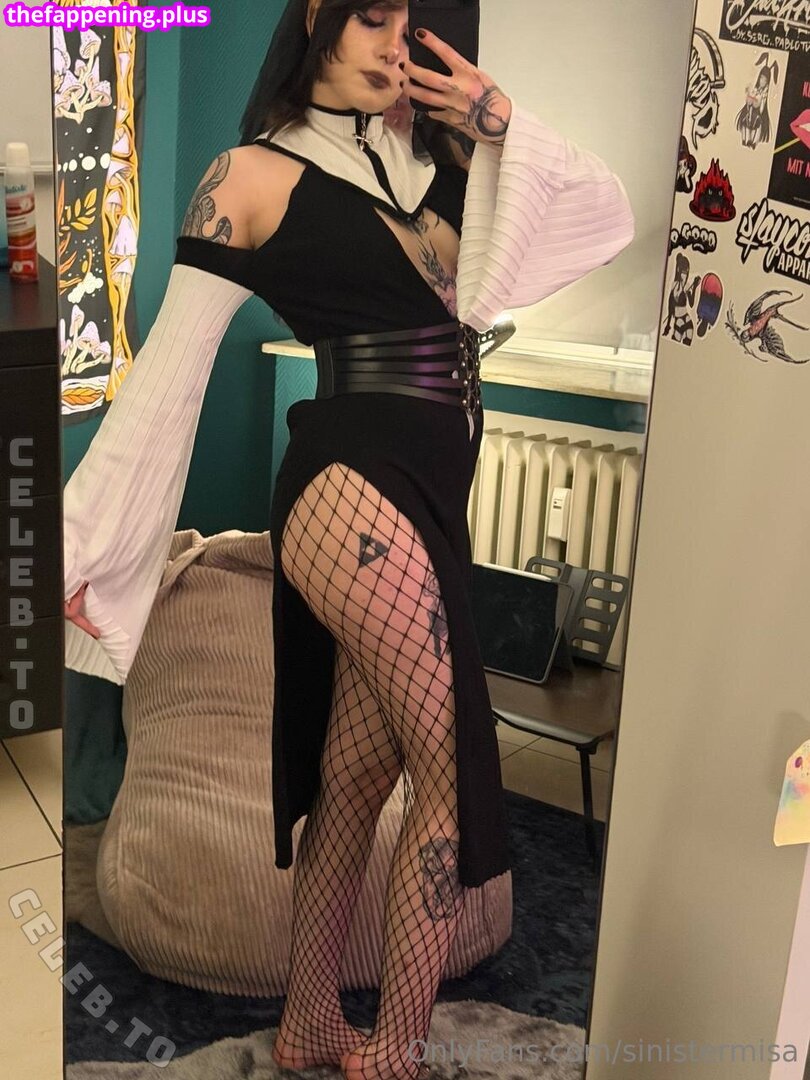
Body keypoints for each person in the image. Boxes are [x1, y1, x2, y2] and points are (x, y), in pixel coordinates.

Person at [63, 1, 634, 1077]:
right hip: (347, 494)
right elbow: (169, 379)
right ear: (317, 18)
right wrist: (86, 552)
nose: (395, 44)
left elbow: (607, 213)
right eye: (373, 17)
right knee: (453, 771)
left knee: (360, 775)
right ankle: (398, 1049)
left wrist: (494, 114)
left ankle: (313, 1023)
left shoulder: (445, 164)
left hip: (430, 496)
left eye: (411, 25)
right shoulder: (250, 177)